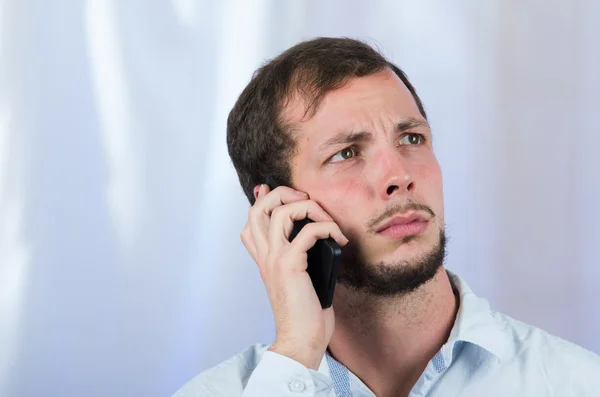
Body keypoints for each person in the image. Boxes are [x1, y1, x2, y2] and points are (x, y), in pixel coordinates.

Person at [172, 37, 600, 397]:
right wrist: (298, 353)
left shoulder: (575, 383)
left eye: (411, 138)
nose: (399, 176)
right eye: (346, 153)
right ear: (277, 210)